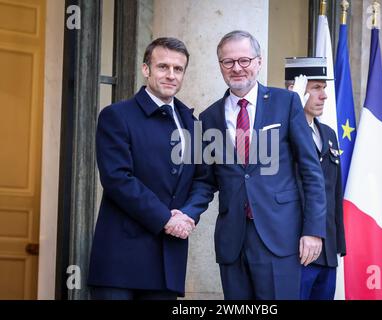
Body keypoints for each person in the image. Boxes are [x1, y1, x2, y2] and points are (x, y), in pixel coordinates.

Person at [175, 30, 327, 300]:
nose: (237, 68)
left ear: (259, 61)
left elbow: (311, 172)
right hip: (233, 241)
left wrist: (313, 231)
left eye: (244, 60)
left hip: (280, 237)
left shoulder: (286, 103)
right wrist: (188, 213)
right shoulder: (209, 117)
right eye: (228, 62)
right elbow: (206, 181)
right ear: (220, 65)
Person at [87, 37, 197, 300]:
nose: (171, 75)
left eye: (178, 69)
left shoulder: (193, 123)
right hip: (120, 262)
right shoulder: (116, 115)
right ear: (146, 69)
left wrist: (188, 216)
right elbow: (117, 179)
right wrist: (166, 218)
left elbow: (202, 180)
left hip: (167, 260)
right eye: (163, 67)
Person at [285, 57, 346, 300]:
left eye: (324, 88)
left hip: (326, 247)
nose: (324, 96)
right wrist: (291, 110)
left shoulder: (328, 134)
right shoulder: (279, 132)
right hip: (296, 248)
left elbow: (333, 191)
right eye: (316, 88)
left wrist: (337, 243)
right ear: (296, 90)